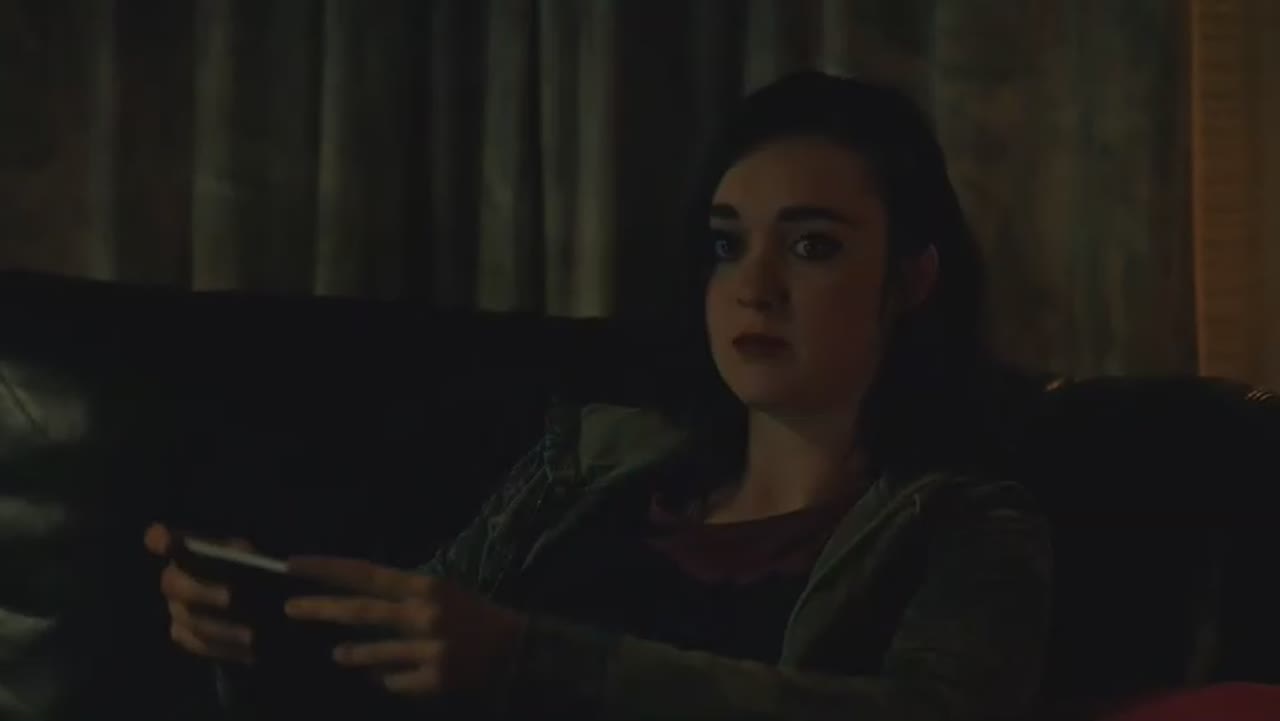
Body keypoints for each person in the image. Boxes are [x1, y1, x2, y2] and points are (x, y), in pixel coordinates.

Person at [145, 71, 1052, 720]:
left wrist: (529, 659)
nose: (754, 287)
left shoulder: (963, 524)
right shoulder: (592, 461)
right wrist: (266, 637)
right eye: (727, 245)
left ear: (912, 279)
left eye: (811, 246)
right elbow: (407, 660)